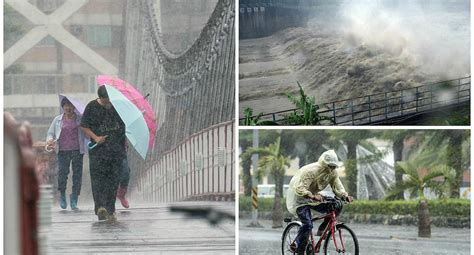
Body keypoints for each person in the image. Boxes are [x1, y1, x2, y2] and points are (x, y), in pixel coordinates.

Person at [286, 150, 354, 254]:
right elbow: (300, 188)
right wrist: (312, 196)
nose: (331, 169)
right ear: (324, 164)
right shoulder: (311, 171)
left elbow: (337, 186)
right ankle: (297, 244)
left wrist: (345, 195)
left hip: (314, 197)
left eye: (334, 166)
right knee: (308, 225)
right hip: (299, 199)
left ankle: (322, 228)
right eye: (330, 166)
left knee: (336, 205)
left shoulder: (332, 173)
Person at [80, 86, 126, 221]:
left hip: (116, 151)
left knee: (113, 181)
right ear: (99, 98)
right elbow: (83, 126)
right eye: (105, 101)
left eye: (109, 101)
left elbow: (123, 127)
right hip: (98, 151)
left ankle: (110, 209)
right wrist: (95, 137)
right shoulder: (91, 107)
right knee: (98, 180)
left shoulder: (118, 108)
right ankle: (100, 207)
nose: (107, 104)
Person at [46, 98, 87, 210]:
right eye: (66, 105)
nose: (68, 108)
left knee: (77, 176)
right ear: (62, 107)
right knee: (62, 174)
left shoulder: (80, 120)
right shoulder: (57, 120)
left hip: (77, 151)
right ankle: (62, 195)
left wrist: (82, 128)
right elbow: (50, 133)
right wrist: (50, 140)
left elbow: (87, 134)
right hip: (63, 151)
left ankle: (74, 198)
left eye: (70, 105)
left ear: (74, 107)